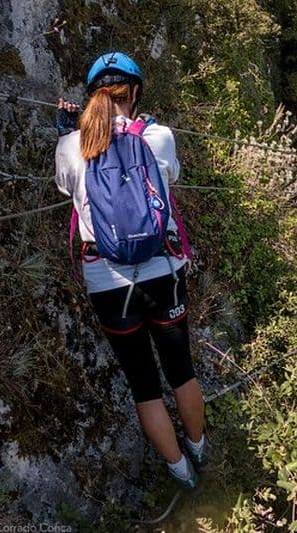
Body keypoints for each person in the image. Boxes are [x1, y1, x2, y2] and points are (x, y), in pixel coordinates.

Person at [54, 52, 208, 490]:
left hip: (108, 281)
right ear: (135, 92)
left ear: (93, 96)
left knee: (144, 383)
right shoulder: (158, 136)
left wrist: (69, 132)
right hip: (164, 269)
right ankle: (199, 448)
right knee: (181, 368)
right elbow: (169, 178)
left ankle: (180, 472)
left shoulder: (70, 145)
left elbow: (67, 186)